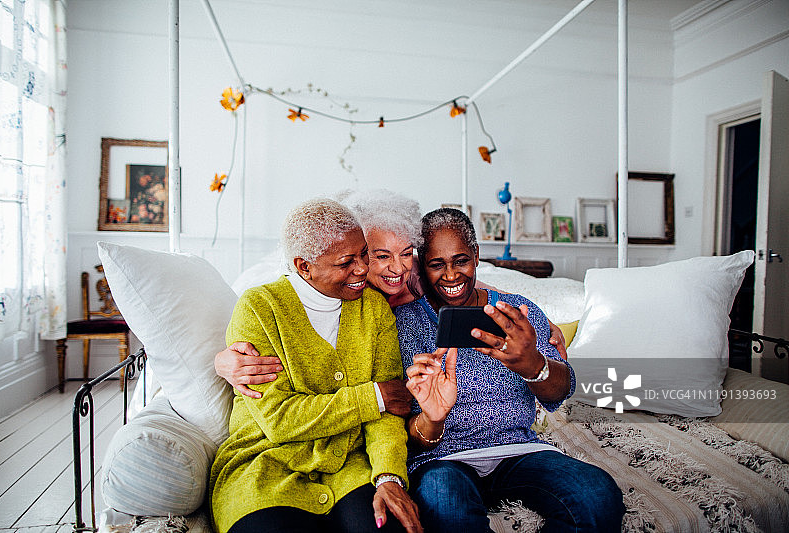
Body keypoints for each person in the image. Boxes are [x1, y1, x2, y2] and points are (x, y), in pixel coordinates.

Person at [398, 208, 625, 533]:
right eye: (437, 264)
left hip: (517, 451)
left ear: (476, 256)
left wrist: (533, 364)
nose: (450, 275)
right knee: (446, 505)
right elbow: (401, 432)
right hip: (442, 461)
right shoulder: (405, 322)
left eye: (461, 260)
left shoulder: (518, 311)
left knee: (598, 495)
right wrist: (432, 419)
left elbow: (561, 392)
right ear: (422, 265)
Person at [214, 190, 567, 399]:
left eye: (406, 253)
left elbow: (470, 284)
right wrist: (222, 361)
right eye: (380, 256)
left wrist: (540, 314)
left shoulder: (414, 277)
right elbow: (284, 308)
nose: (396, 268)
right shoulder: (334, 286)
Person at [209, 198, 421, 533]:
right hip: (266, 466)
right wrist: (373, 396)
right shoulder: (259, 308)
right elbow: (279, 419)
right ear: (304, 266)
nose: (363, 269)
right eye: (345, 262)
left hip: (351, 467)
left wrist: (388, 476)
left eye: (364, 254)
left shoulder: (374, 308)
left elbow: (390, 413)